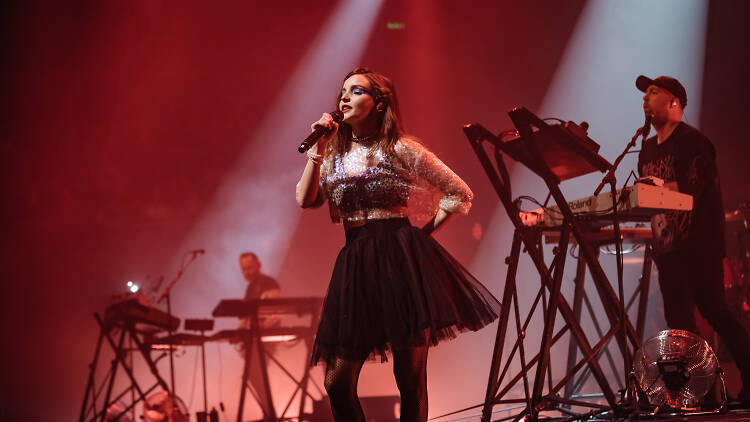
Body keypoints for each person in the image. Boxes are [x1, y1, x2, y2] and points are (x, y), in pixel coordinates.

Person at [295, 67, 501, 422]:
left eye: (356, 91)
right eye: (342, 92)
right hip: (355, 262)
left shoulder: (401, 148)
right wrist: (318, 150)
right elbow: (305, 199)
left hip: (400, 259)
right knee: (337, 382)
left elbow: (459, 193)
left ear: (378, 104)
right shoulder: (332, 154)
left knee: (409, 378)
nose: (344, 97)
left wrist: (419, 239)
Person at [636, 75, 750, 404]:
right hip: (668, 246)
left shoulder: (695, 142)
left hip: (699, 243)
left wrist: (657, 189)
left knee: (714, 310)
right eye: (644, 94)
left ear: (675, 102)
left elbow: (693, 190)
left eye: (653, 93)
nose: (645, 99)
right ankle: (704, 394)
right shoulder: (646, 147)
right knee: (679, 322)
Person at [236, 252, 280, 418]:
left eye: (249, 268)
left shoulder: (268, 283)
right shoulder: (251, 287)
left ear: (258, 265)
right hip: (256, 338)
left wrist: (259, 329)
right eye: (244, 269)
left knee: (254, 374)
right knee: (254, 375)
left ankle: (270, 415)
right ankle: (269, 414)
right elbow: (249, 316)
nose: (247, 272)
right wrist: (240, 332)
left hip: (266, 338)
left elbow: (276, 312)